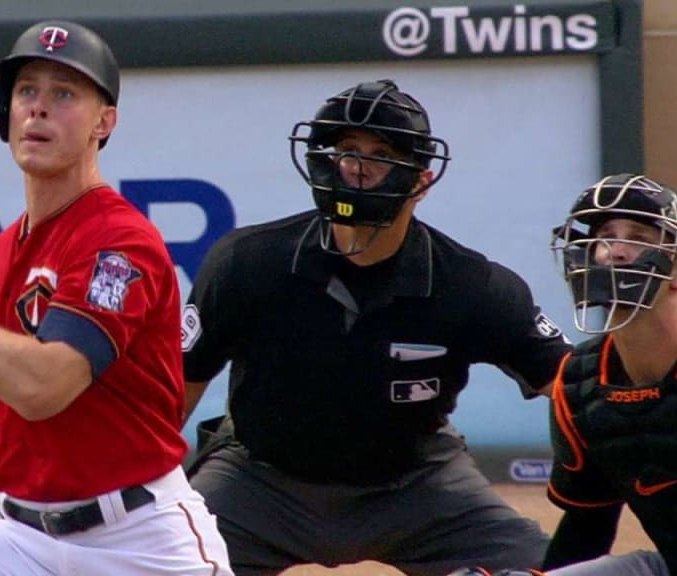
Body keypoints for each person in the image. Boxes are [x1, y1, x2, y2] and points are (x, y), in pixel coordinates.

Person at [0, 20, 233, 576]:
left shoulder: (119, 240)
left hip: (139, 540)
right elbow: (13, 415)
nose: (39, 109)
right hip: (21, 537)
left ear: (105, 121)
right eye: (27, 91)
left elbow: (44, 387)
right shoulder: (6, 248)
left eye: (65, 93)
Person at [180, 79, 572, 576]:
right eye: (346, 150)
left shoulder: (471, 284)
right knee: (158, 563)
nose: (356, 168)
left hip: (417, 485)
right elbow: (172, 396)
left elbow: (571, 383)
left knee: (555, 571)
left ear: (422, 181)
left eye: (380, 154)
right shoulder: (246, 264)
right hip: (259, 481)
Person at [543, 173, 677, 576]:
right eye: (604, 236)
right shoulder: (579, 382)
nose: (614, 252)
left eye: (638, 237)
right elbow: (587, 525)